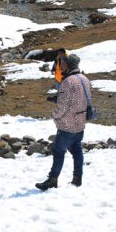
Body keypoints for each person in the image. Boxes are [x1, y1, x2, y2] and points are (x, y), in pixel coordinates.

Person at [36, 53, 92, 190]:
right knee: (77, 149)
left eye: (65, 63)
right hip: (80, 122)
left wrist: (55, 115)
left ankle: (52, 180)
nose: (63, 65)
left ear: (69, 65)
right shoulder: (85, 79)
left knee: (59, 151)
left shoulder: (67, 82)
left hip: (67, 124)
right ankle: (77, 178)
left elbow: (63, 106)